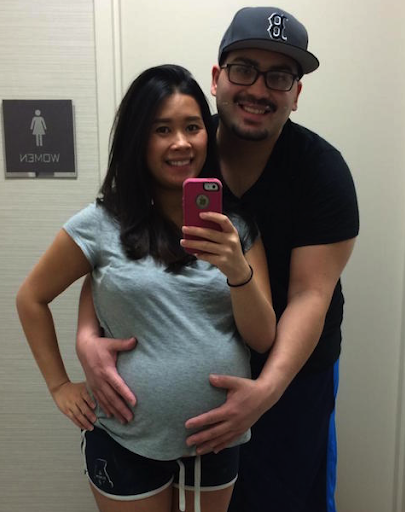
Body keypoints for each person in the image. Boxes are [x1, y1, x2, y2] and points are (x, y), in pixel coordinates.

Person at [76, 7, 359, 512]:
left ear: (296, 93)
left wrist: (266, 390)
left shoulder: (322, 173)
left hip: (292, 375)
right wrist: (85, 335)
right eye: (244, 69)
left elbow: (310, 295)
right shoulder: (181, 143)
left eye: (279, 76)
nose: (259, 89)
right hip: (188, 385)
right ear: (216, 78)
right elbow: (114, 243)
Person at [16, 64, 276, 512]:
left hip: (215, 437)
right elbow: (31, 298)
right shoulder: (101, 223)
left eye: (192, 127)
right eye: (162, 129)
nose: (181, 142)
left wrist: (237, 270)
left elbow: (262, 337)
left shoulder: (236, 227)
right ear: (138, 138)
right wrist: (59, 385)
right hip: (124, 437)